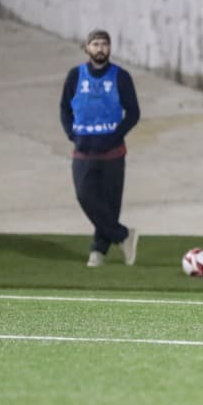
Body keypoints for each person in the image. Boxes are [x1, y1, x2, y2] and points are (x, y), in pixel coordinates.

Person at [59, 29, 141, 267]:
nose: (100, 48)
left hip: (112, 153)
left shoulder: (121, 77)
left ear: (110, 48)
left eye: (104, 44)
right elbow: (64, 109)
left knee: (110, 204)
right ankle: (123, 235)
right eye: (95, 44)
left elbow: (133, 113)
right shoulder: (75, 76)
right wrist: (72, 134)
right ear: (87, 48)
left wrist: (115, 136)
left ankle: (98, 251)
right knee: (85, 196)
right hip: (83, 150)